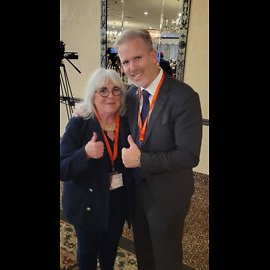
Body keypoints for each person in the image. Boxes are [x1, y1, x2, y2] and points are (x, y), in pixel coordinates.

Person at [117, 29, 202, 270]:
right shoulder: (132, 94)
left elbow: (189, 155)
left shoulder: (184, 96)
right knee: (143, 252)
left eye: (137, 58)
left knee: (166, 257)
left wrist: (142, 160)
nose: (132, 67)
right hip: (137, 192)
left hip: (167, 196)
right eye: (125, 61)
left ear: (153, 56)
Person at [60, 68, 134, 270]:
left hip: (117, 202)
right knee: (88, 252)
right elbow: (62, 168)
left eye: (116, 90)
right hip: (87, 203)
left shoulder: (127, 122)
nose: (110, 95)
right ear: (92, 94)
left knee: (110, 250)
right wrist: (84, 153)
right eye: (103, 90)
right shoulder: (79, 123)